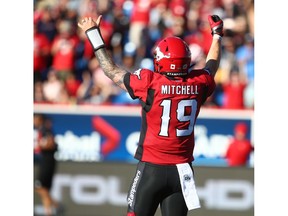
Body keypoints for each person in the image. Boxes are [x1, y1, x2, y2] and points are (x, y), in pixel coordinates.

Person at [78, 14, 223, 216]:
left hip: (151, 169)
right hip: (182, 171)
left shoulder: (150, 82)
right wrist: (217, 35)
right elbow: (212, 66)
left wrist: (93, 34)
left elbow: (111, 70)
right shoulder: (199, 83)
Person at [34, 113, 59, 216]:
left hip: (48, 162)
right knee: (43, 188)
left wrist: (38, 146)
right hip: (46, 161)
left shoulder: (45, 130)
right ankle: (51, 209)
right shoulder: (41, 130)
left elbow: (51, 144)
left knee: (40, 187)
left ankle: (55, 206)